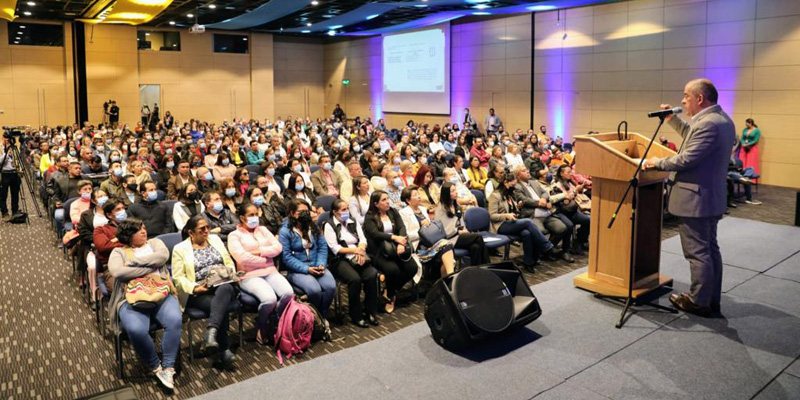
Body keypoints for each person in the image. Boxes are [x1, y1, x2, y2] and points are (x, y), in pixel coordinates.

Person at [643, 78, 735, 317]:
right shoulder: (719, 120)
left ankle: (698, 301)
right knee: (709, 249)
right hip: (709, 196)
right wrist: (673, 120)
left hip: (696, 199)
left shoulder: (709, 124)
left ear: (700, 98)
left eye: (686, 96)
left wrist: (656, 162)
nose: (682, 100)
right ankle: (709, 298)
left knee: (698, 252)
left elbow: (686, 159)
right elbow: (691, 138)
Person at [107, 218, 180, 390]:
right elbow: (118, 272)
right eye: (138, 230)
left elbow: (163, 256)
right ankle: (156, 366)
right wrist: (151, 267)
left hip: (161, 291)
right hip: (131, 297)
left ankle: (168, 367)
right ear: (127, 235)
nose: (143, 232)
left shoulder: (155, 242)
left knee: (175, 320)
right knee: (136, 330)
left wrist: (133, 265)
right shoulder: (119, 252)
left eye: (144, 228)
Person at [171, 215, 239, 368]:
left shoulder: (215, 240)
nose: (207, 231)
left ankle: (214, 334)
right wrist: (195, 288)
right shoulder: (180, 249)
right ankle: (221, 346)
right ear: (191, 233)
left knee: (225, 289)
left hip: (224, 283)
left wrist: (231, 274)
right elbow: (178, 277)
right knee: (218, 307)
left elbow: (228, 261)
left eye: (208, 227)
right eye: (202, 229)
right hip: (200, 290)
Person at [228, 203, 293, 343]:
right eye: (251, 215)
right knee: (269, 299)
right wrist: (264, 259)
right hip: (248, 275)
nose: (255, 218)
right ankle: (262, 325)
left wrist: (259, 252)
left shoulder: (262, 230)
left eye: (256, 214)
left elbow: (278, 247)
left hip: (270, 271)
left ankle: (275, 321)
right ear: (242, 218)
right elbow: (241, 257)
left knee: (288, 293)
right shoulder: (234, 235)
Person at [323, 199, 380, 327]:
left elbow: (363, 239)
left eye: (347, 208)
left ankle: (370, 312)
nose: (346, 211)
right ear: (335, 212)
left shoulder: (353, 221)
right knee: (355, 279)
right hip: (340, 259)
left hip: (358, 254)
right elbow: (335, 249)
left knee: (371, 275)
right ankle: (356, 315)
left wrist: (361, 250)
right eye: (343, 209)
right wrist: (356, 250)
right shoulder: (329, 225)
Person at [362, 191, 418, 313]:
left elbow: (402, 227)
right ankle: (391, 298)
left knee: (412, 268)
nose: (388, 202)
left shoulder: (392, 211)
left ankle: (390, 291)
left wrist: (400, 242)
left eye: (388, 199)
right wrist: (394, 237)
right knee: (393, 270)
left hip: (396, 248)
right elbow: (375, 234)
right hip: (379, 252)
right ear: (376, 204)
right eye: (384, 200)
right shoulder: (370, 217)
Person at [488, 173, 556, 272]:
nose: (514, 187)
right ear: (505, 183)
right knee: (528, 222)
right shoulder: (495, 195)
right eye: (512, 185)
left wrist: (518, 207)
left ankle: (528, 262)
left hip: (512, 222)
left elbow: (512, 210)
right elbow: (492, 216)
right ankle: (547, 246)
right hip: (500, 225)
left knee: (526, 233)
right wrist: (506, 215)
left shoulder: (510, 194)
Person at [278, 199, 335, 318]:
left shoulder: (313, 227)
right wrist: (306, 269)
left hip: (316, 265)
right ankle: (312, 318)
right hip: (298, 269)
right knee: (314, 290)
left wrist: (321, 264)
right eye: (300, 212)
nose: (304, 214)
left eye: (306, 211)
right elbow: (286, 257)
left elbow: (322, 247)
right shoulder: (285, 231)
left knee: (330, 287)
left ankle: (321, 316)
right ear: (292, 213)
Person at [399, 186, 456, 278]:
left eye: (418, 194)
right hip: (419, 247)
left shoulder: (423, 209)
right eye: (415, 195)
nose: (419, 196)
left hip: (432, 243)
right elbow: (406, 235)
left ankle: (448, 279)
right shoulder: (403, 213)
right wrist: (421, 228)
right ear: (408, 200)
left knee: (446, 248)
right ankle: (450, 279)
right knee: (446, 246)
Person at [435, 182, 490, 266]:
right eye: (452, 191)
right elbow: (444, 231)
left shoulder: (455, 204)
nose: (456, 192)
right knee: (478, 237)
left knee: (476, 247)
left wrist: (464, 229)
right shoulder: (441, 209)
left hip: (459, 235)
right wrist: (458, 231)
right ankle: (488, 265)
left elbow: (461, 221)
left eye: (455, 190)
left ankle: (477, 270)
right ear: (446, 193)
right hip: (450, 239)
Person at [738, 118, 760, 184]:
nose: (746, 125)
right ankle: (741, 178)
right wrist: (743, 143)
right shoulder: (745, 129)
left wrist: (748, 144)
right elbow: (742, 138)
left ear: (751, 123)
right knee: (742, 160)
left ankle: (750, 178)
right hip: (744, 147)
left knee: (751, 162)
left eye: (747, 123)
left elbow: (756, 140)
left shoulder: (757, 130)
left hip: (752, 147)